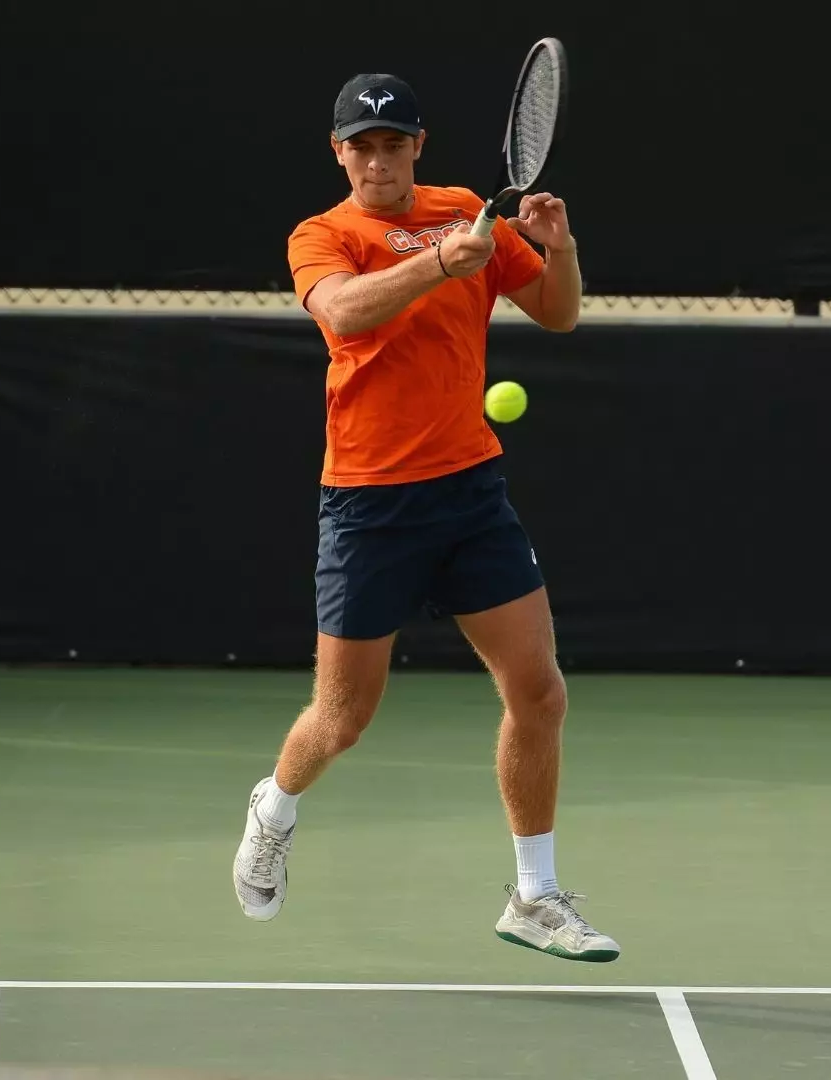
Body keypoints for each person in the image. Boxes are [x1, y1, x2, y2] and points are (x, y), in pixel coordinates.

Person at [230, 72, 619, 963]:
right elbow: (341, 316)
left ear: (418, 146)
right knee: (343, 717)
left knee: (539, 690)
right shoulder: (322, 235)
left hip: (471, 491)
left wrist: (556, 248)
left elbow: (557, 316)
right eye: (360, 146)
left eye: (393, 144)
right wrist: (440, 262)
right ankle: (275, 806)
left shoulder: (462, 210)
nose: (377, 160)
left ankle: (534, 893)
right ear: (339, 153)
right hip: (369, 504)